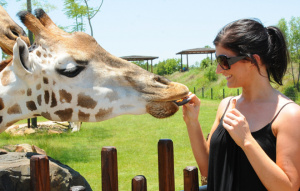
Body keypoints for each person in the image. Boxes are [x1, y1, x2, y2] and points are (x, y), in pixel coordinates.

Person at [183, 18, 300, 191]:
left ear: (254, 60)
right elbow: (209, 168)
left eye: (224, 61)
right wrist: (192, 123)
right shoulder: (226, 105)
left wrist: (247, 141)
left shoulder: (289, 115)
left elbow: (288, 187)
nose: (218, 70)